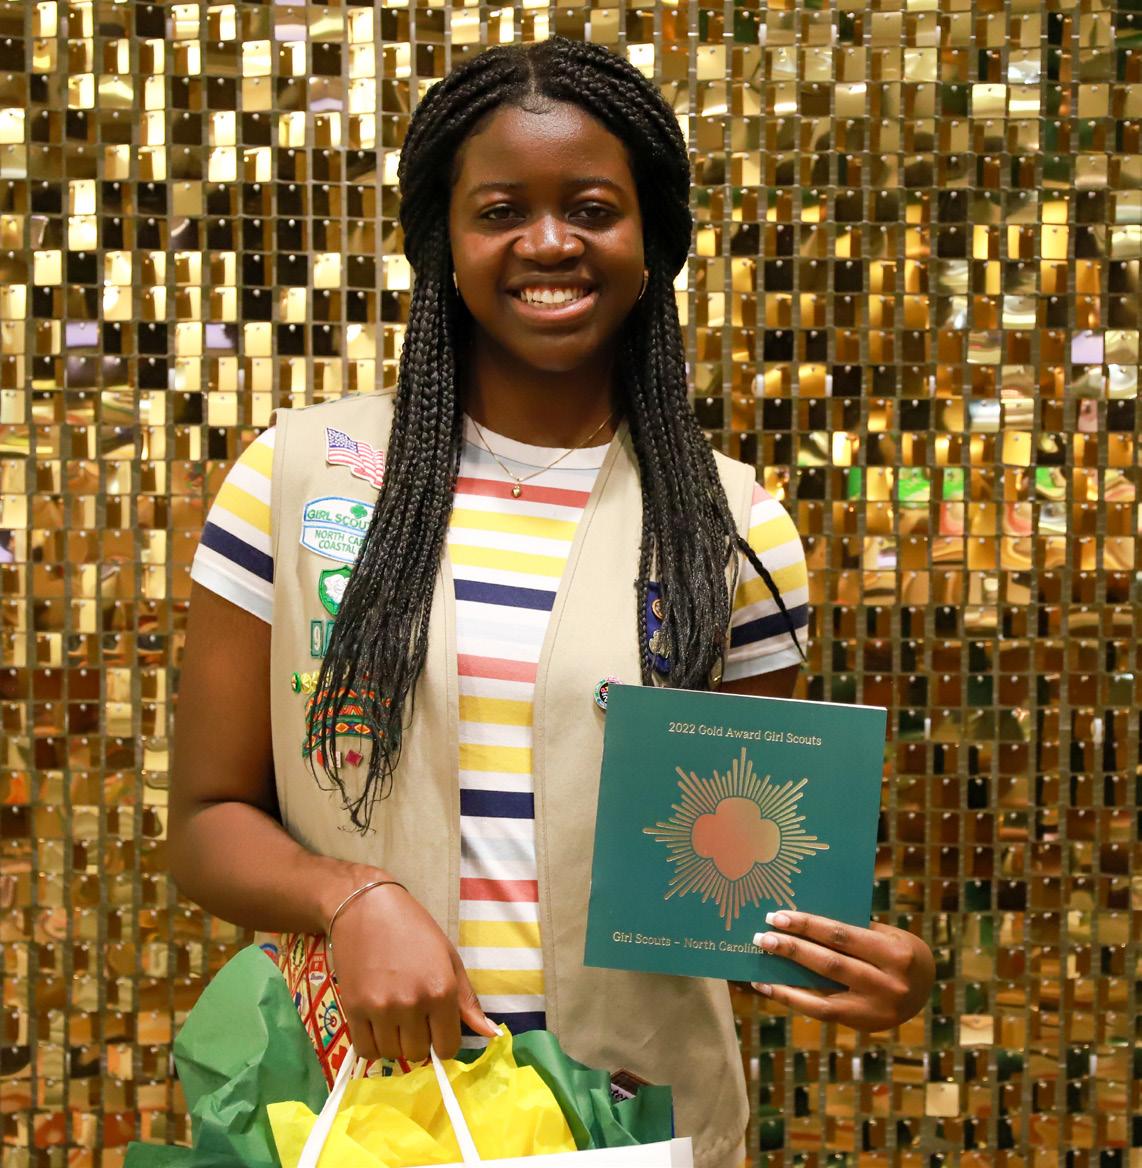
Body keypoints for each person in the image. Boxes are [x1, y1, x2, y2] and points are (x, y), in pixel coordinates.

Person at [169, 36, 934, 1168]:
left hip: (632, 1124)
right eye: (499, 212)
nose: (547, 243)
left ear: (649, 239)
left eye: (590, 209)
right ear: (443, 241)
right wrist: (349, 896)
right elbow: (204, 825)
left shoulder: (732, 526)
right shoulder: (298, 478)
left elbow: (732, 881)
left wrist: (861, 964)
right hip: (364, 1113)